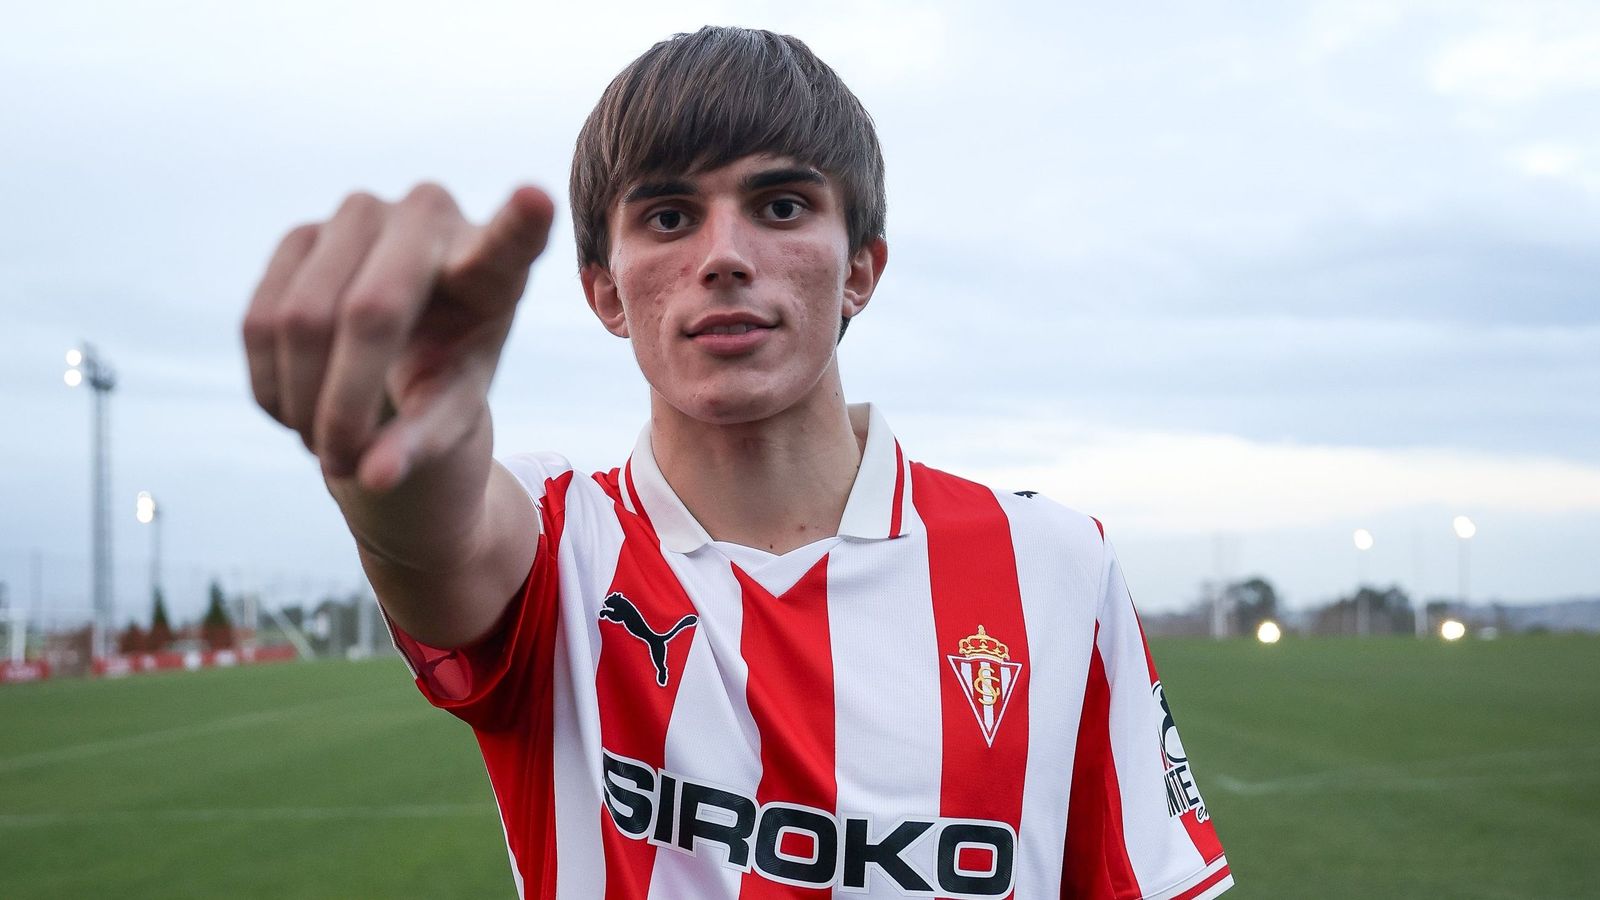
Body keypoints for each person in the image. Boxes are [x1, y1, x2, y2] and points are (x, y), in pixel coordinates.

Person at [242, 25, 1231, 900]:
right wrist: (397, 418)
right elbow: (436, 527)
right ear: (604, 294)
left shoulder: (1052, 564)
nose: (723, 254)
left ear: (860, 269)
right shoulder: (553, 542)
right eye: (668, 216)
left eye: (782, 205)